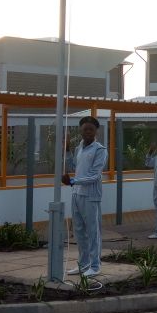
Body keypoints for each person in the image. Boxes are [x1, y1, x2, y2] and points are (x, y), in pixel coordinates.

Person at [61, 116, 107, 277]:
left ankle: (95, 265)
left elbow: (95, 176)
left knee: (93, 231)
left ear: (96, 131)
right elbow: (74, 166)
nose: (87, 132)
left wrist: (73, 181)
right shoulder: (79, 147)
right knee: (79, 231)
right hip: (76, 194)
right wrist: (66, 150)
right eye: (85, 129)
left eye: (91, 129)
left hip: (91, 196)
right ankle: (83, 264)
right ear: (80, 130)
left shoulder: (100, 150)